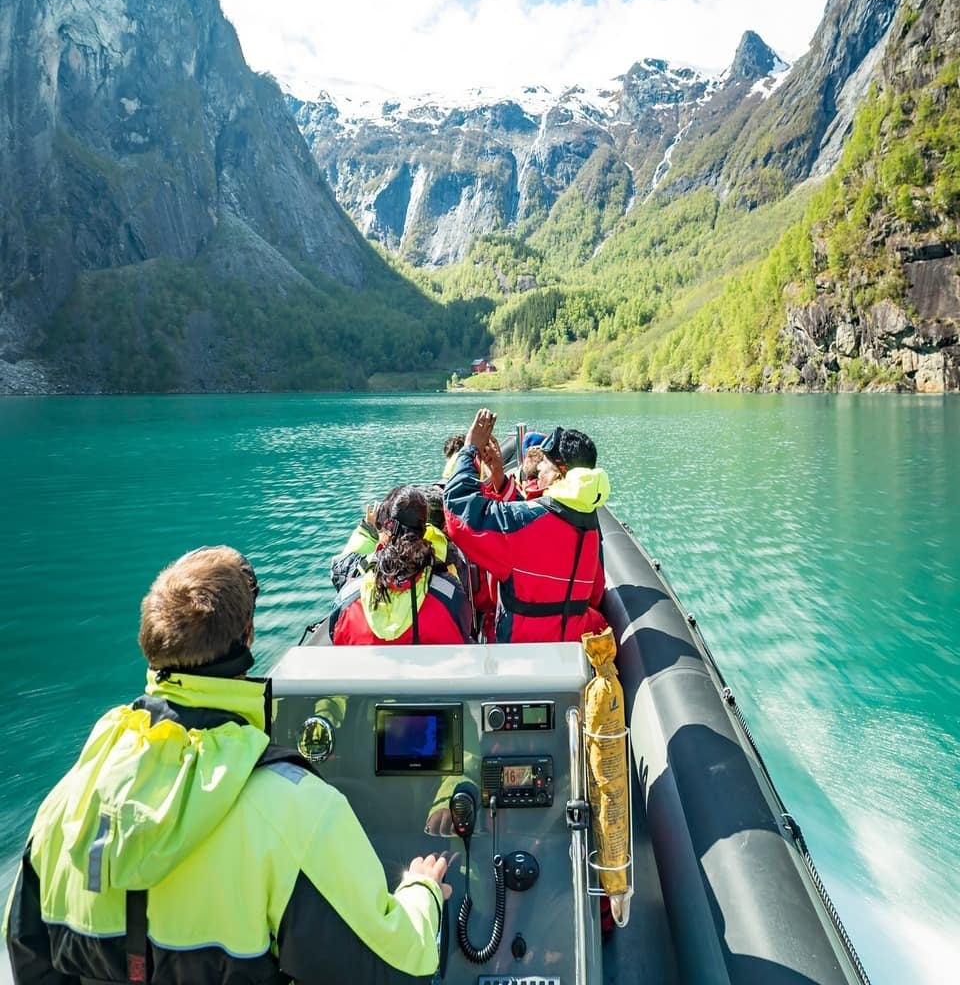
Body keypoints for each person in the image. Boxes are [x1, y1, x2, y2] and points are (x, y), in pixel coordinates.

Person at [3, 546, 450, 984]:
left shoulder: (64, 805)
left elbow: (28, 956)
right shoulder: (298, 809)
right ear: (248, 635)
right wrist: (422, 890)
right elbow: (398, 963)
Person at [444, 409, 611, 643]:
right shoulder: (590, 525)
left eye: (544, 463)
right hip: (571, 649)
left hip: (522, 652)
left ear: (559, 476)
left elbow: (459, 511)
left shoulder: (527, 526)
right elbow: (540, 529)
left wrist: (469, 450)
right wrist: (501, 481)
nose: (538, 469)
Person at [330, 486, 472, 645]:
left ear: (386, 528)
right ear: (424, 531)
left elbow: (338, 568)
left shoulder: (348, 598)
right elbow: (464, 630)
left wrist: (368, 530)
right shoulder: (450, 595)